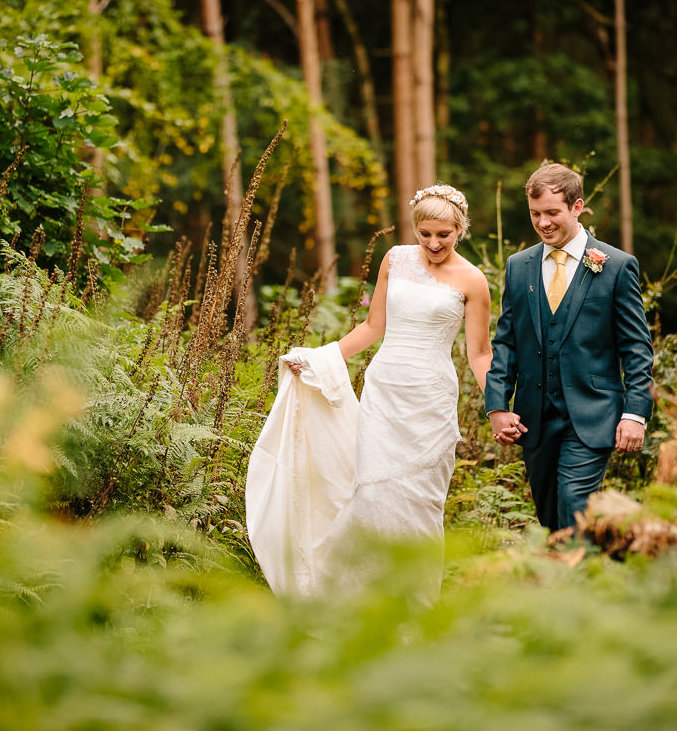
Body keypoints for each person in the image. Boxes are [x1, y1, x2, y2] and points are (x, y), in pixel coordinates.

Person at [246, 184, 491, 600]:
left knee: (419, 502)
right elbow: (372, 328)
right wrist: (317, 359)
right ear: (415, 229)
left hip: (431, 401)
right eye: (425, 234)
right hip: (385, 392)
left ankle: (414, 601)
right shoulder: (395, 260)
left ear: (460, 229)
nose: (433, 243)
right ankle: (357, 597)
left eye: (443, 235)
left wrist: (499, 408)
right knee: (373, 492)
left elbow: (480, 354)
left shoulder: (473, 280)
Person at [484, 162, 653, 532]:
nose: (543, 223)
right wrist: (497, 405)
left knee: (575, 508)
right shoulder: (518, 266)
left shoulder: (616, 266)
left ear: (577, 207)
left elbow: (637, 348)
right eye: (535, 214)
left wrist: (635, 413)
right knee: (550, 517)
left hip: (592, 415)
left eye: (552, 213)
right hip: (534, 420)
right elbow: (507, 342)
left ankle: (580, 581)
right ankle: (576, 582)